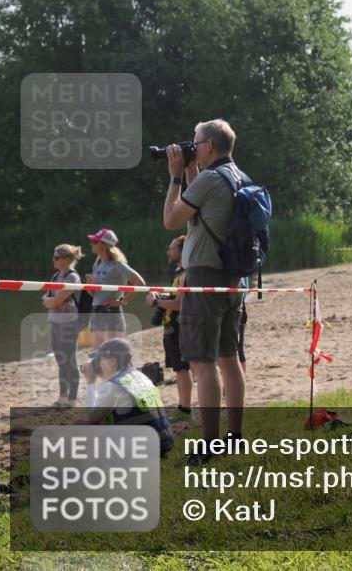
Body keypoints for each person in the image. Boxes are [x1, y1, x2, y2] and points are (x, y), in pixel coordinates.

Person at [162, 118, 247, 453]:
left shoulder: (211, 178)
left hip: (204, 278)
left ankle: (211, 444)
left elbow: (171, 220)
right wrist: (190, 169)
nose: (192, 147)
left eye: (196, 143)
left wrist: (174, 175)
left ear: (209, 146)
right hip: (231, 279)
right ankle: (234, 437)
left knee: (205, 362)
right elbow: (201, 213)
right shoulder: (235, 176)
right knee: (229, 357)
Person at [81, 339, 174, 457]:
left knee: (79, 425)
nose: (97, 364)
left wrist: (90, 383)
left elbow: (91, 416)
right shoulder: (140, 376)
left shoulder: (112, 386)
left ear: (113, 361)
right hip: (164, 443)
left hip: (142, 450)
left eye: (100, 359)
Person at [146, 236, 192, 420]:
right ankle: (184, 407)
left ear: (182, 251)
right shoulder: (178, 272)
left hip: (179, 327)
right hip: (171, 327)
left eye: (172, 248)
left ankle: (185, 410)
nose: (168, 252)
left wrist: (157, 301)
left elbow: (180, 304)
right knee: (180, 370)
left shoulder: (186, 273)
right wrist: (161, 296)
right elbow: (175, 296)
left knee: (183, 369)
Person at [86, 228, 145, 349]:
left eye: (95, 241)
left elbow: (140, 284)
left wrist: (121, 301)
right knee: (96, 356)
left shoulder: (118, 264)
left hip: (110, 313)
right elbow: (96, 294)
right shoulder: (96, 264)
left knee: (115, 355)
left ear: (105, 245)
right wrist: (90, 288)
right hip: (96, 311)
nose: (91, 244)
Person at [41, 244, 84, 406]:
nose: (53, 260)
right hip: (54, 322)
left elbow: (55, 300)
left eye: (56, 257)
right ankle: (62, 397)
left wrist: (53, 302)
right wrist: (53, 302)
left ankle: (72, 399)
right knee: (60, 361)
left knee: (69, 361)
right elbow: (46, 299)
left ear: (65, 260)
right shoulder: (56, 276)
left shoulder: (72, 277)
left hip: (68, 325)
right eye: (54, 257)